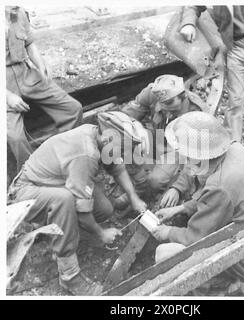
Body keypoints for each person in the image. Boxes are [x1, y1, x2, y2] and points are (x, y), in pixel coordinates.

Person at [7, 111, 147, 296]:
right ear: (108, 140)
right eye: (122, 149)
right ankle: (69, 277)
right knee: (63, 200)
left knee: (104, 208)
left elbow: (117, 168)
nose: (122, 154)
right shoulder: (87, 154)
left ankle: (66, 232)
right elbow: (82, 209)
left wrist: (133, 197)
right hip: (26, 192)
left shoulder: (98, 134)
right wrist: (101, 233)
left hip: (55, 183)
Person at [152, 111, 244, 294]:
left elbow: (196, 239)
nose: (182, 159)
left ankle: (215, 286)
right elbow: (222, 201)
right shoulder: (234, 148)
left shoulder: (219, 187)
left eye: (185, 154)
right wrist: (181, 208)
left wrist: (168, 232)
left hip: (242, 255)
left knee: (163, 253)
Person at [179, 6, 244, 160]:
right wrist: (188, 22)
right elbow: (192, 5)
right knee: (235, 101)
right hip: (236, 45)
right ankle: (233, 151)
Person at [6, 6, 83, 174]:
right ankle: (30, 176)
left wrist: (40, 63)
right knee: (16, 138)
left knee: (72, 108)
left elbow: (29, 43)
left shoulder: (18, 13)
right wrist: (7, 96)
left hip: (26, 73)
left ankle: (65, 158)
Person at [116, 74, 207, 208]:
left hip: (180, 149)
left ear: (183, 96)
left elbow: (196, 160)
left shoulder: (198, 114)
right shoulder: (152, 92)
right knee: (122, 140)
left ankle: (143, 194)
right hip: (157, 137)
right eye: (161, 103)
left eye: (170, 102)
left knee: (155, 181)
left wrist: (177, 188)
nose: (165, 107)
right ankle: (129, 184)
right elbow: (124, 117)